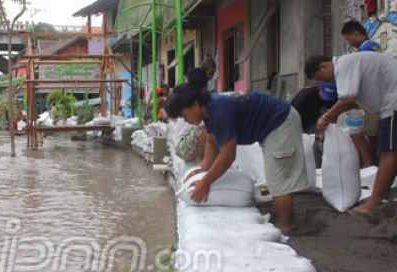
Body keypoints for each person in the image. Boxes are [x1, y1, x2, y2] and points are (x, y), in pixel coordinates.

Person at [165, 83, 308, 234]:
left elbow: (228, 156)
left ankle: (285, 225)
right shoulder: (209, 109)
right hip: (271, 125)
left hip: (280, 122)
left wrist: (205, 182)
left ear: (194, 104)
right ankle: (288, 220)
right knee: (277, 177)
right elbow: (212, 142)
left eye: (184, 115)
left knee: (278, 178)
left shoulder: (219, 111)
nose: (185, 120)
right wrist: (204, 170)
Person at [304, 52, 397, 215]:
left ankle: (374, 202)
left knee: (389, 152)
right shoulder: (350, 62)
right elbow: (349, 102)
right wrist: (333, 116)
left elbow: (348, 99)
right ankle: (380, 197)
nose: (325, 82)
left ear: (324, 66)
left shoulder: (343, 66)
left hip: (393, 103)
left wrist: (326, 116)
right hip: (390, 103)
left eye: (322, 78)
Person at [341, 20, 383, 166]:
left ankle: (369, 165)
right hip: (374, 96)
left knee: (359, 133)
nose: (348, 42)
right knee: (370, 134)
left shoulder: (367, 48)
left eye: (348, 38)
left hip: (371, 97)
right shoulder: (372, 46)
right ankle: (371, 165)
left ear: (356, 34)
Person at [174, 67, 214, 163]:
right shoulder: (194, 99)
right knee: (207, 128)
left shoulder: (196, 97)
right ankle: (200, 159)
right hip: (183, 146)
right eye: (210, 74)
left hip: (186, 143)